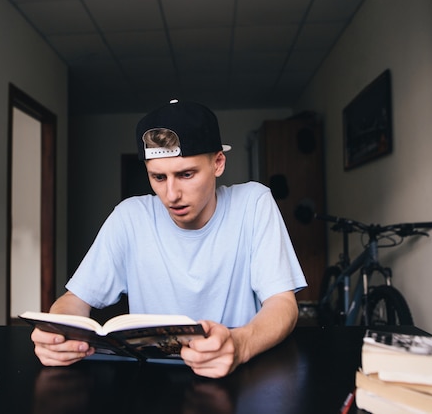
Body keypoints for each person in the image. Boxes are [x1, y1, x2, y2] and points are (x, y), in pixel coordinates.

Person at [31, 99, 307, 378]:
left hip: (240, 374)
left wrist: (240, 345)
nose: (171, 194)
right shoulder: (130, 217)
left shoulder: (253, 203)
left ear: (218, 163)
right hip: (153, 381)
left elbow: (283, 305)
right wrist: (58, 333)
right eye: (158, 177)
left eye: (186, 174)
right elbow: (74, 300)